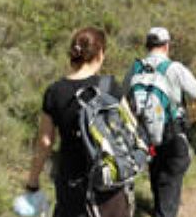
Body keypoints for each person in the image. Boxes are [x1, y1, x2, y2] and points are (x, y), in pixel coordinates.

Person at [25, 27, 131, 217]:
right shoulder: (110, 86)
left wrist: (33, 181)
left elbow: (45, 143)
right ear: (99, 54)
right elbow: (131, 126)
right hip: (109, 183)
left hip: (72, 185)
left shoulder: (55, 91)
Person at [123, 27, 196, 217]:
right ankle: (164, 211)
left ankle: (160, 207)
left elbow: (123, 97)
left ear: (147, 45)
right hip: (171, 132)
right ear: (167, 46)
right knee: (171, 176)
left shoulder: (135, 67)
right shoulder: (174, 68)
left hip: (145, 133)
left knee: (156, 170)